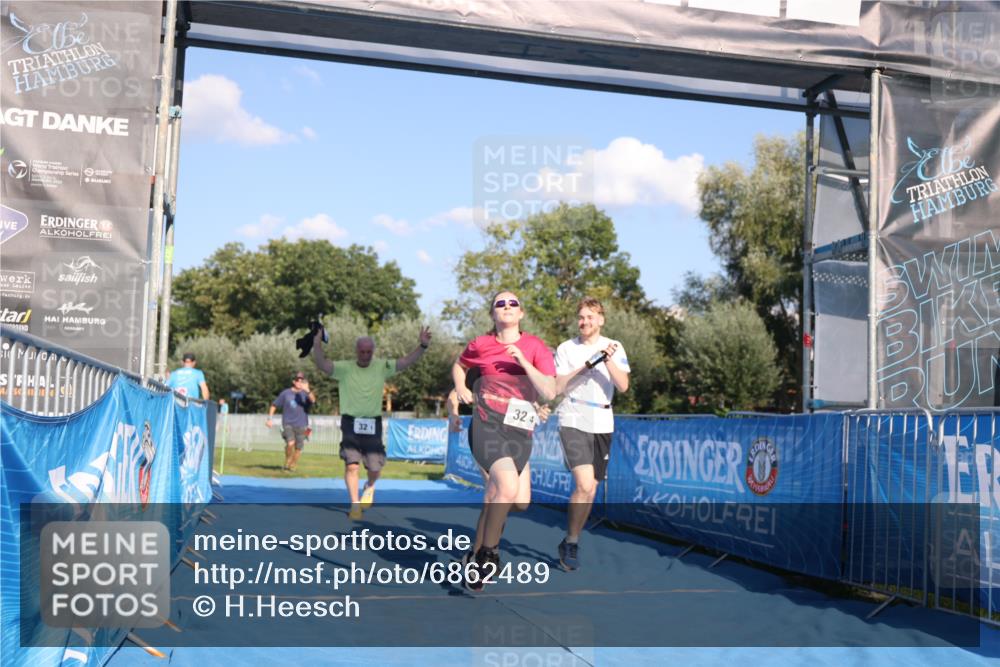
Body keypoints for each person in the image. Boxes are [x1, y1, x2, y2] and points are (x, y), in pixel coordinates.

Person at [453, 290, 555, 592]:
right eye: (501, 303)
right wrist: (461, 386)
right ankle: (489, 553)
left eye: (513, 303)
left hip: (519, 429)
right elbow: (459, 365)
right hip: (486, 423)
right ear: (493, 314)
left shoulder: (535, 347)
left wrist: (523, 361)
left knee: (518, 502)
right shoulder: (481, 345)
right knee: (505, 487)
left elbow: (549, 390)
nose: (507, 307)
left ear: (521, 313)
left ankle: (472, 553)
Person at [312, 327, 432, 519]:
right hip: (350, 422)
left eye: (369, 352)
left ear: (373, 352)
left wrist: (423, 345)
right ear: (356, 351)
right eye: (362, 351)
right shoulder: (344, 368)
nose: (366, 355)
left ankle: (369, 486)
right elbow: (322, 363)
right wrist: (317, 343)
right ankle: (355, 504)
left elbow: (406, 361)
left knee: (375, 467)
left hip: (372, 423)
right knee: (352, 465)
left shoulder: (381, 366)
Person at [553, 297, 629, 571]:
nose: (585, 322)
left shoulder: (614, 346)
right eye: (581, 317)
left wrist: (606, 360)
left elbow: (623, 386)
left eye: (590, 317)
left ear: (601, 320)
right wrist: (587, 364)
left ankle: (570, 538)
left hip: (603, 419)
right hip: (573, 415)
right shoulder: (566, 348)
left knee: (592, 487)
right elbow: (559, 386)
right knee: (584, 483)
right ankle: (572, 542)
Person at [266, 372, 316, 472]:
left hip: (302, 425)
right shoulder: (286, 393)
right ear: (294, 381)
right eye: (298, 380)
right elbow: (274, 405)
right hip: (288, 423)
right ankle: (288, 460)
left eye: (302, 380)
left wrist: (308, 390)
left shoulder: (306, 393)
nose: (299, 382)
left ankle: (293, 464)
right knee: (290, 443)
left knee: (298, 448)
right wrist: (269, 419)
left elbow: (313, 400)